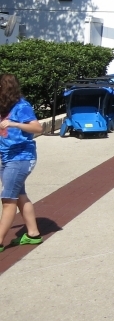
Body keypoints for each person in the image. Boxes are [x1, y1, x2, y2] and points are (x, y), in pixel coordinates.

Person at [0, 74, 45, 251]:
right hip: (7, 157)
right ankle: (33, 233)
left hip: (21, 158)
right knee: (19, 196)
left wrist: (14, 124)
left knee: (8, 199)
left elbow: (38, 128)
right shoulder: (4, 107)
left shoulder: (21, 106)